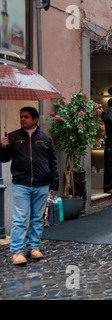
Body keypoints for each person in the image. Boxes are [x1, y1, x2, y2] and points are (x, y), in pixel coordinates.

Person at [0, 107, 59, 265]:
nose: (22, 119)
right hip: (22, 183)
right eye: (21, 117)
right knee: (19, 218)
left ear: (35, 119)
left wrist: (55, 183)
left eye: (26, 117)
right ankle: (17, 251)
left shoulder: (45, 139)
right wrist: (3, 146)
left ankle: (33, 247)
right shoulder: (13, 137)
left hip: (41, 184)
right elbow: (4, 159)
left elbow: (53, 162)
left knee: (37, 219)